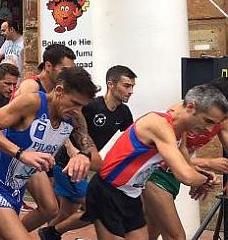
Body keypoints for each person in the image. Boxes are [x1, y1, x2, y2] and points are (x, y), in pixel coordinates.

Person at [82, 84, 228, 239]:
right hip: (108, 190)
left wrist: (202, 175)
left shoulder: (181, 127)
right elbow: (185, 175)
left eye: (214, 124)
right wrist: (208, 179)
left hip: (131, 194)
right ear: (191, 107)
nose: (209, 129)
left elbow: (187, 165)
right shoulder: (159, 124)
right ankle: (55, 230)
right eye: (208, 121)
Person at [0, 67, 99, 239]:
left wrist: (84, 155)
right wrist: (21, 154)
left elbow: (98, 161)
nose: (77, 110)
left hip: (18, 183)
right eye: (75, 103)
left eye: (82, 106)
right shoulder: (32, 103)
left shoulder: (74, 118)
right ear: (59, 91)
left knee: (50, 208)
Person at [39, 65, 137, 240]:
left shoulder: (123, 112)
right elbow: (68, 122)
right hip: (67, 164)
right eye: (127, 86)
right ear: (111, 84)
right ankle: (51, 233)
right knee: (96, 208)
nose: (130, 91)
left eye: (132, 87)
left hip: (87, 164)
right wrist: (71, 149)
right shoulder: (91, 105)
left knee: (66, 213)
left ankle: (50, 233)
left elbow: (128, 140)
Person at [12, 43, 97, 232]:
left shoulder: (65, 95)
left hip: (38, 155)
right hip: (16, 151)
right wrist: (68, 146)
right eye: (64, 69)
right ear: (49, 66)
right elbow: (34, 120)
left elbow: (75, 122)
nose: (68, 74)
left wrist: (83, 152)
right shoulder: (31, 87)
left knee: (50, 209)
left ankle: (13, 234)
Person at [142, 77, 228, 240]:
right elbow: (175, 156)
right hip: (157, 172)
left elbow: (183, 161)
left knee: (151, 232)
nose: (210, 126)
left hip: (173, 172)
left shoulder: (221, 121)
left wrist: (198, 175)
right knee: (176, 236)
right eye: (209, 120)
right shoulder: (178, 115)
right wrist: (205, 166)